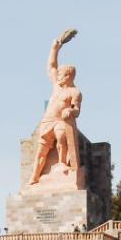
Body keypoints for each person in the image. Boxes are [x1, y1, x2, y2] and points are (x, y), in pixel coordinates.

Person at [30, 30, 83, 185]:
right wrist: (55, 48)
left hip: (61, 121)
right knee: (41, 151)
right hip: (47, 121)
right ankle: (34, 176)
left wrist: (70, 110)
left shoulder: (75, 92)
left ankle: (62, 164)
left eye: (61, 74)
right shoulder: (56, 86)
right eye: (58, 75)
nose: (58, 76)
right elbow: (51, 66)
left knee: (61, 137)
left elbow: (77, 110)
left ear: (68, 76)